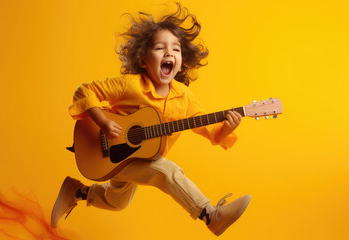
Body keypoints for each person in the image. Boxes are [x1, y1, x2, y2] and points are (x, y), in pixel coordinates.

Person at [51, 3, 250, 236]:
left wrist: (227, 128)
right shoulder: (130, 85)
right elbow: (83, 91)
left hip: (133, 156)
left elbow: (211, 131)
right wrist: (104, 123)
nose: (169, 54)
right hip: (105, 149)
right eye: (159, 48)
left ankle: (77, 191)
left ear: (181, 61)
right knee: (167, 172)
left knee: (118, 202)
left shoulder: (184, 96)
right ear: (144, 60)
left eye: (176, 50)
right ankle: (210, 214)